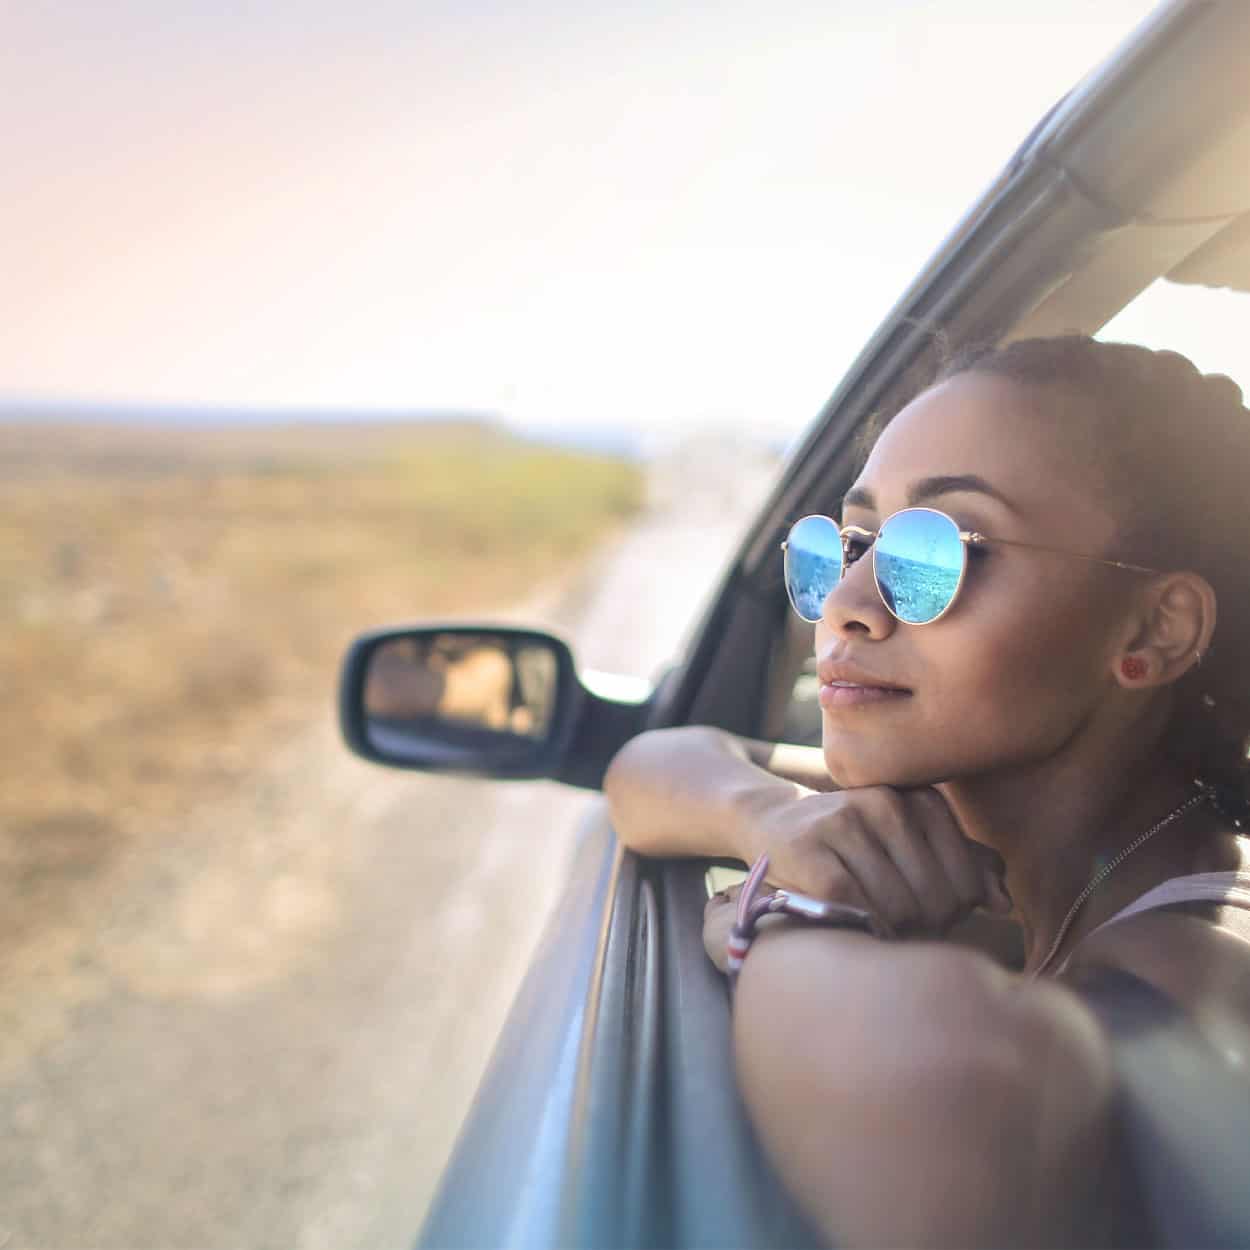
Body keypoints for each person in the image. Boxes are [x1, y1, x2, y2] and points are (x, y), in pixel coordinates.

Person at [604, 335, 1250, 1248]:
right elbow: (656, 764)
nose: (845, 603)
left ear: (1156, 628)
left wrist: (788, 914)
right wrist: (770, 821)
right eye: (852, 542)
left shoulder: (1201, 953)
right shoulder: (959, 815)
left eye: (939, 549)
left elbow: (955, 1092)